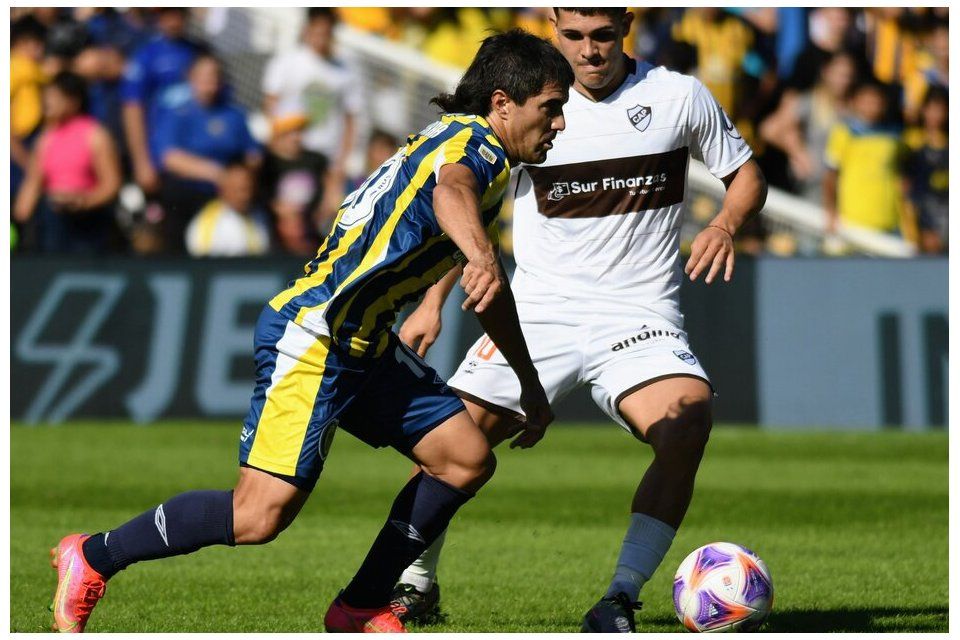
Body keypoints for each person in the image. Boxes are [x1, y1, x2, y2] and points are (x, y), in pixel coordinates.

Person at [48, 28, 570, 634]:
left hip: (366, 342)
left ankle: (361, 605)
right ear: (503, 101)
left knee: (463, 459)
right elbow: (449, 190)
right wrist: (478, 257)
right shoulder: (472, 147)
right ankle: (93, 556)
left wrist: (525, 381)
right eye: (551, 107)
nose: (559, 123)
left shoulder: (484, 160)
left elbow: (486, 282)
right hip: (317, 336)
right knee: (257, 517)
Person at [391, 8, 767, 633]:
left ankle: (619, 599)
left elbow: (746, 174)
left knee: (689, 420)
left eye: (602, 35)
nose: (589, 51)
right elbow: (470, 210)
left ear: (626, 24)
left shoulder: (677, 96)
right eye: (573, 37)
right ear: (551, 25)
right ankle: (415, 585)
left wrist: (725, 222)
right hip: (540, 314)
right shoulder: (529, 108)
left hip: (639, 314)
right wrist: (432, 300)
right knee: (445, 442)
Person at [261, 8, 364, 229]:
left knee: (328, 218)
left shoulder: (346, 71)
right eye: (317, 31)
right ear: (307, 30)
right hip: (292, 156)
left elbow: (350, 120)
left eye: (326, 32)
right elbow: (270, 104)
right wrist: (276, 142)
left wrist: (341, 164)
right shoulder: (286, 62)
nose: (321, 38)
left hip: (326, 159)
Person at [153, 53, 261, 253]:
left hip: (229, 199)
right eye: (203, 75)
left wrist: (238, 179)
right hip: (187, 195)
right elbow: (170, 158)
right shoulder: (178, 114)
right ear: (191, 78)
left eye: (214, 75)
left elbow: (252, 155)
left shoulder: (234, 115)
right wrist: (218, 174)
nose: (209, 81)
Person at [13, 71, 123, 253]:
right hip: (54, 220)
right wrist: (18, 221)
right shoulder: (46, 138)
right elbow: (33, 182)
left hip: (88, 222)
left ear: (74, 101)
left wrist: (84, 202)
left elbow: (111, 184)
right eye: (46, 96)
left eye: (55, 97)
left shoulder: (95, 135)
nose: (48, 102)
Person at [823, 78, 906, 238]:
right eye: (866, 101)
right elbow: (830, 175)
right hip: (852, 219)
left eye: (875, 101)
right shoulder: (843, 133)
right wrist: (831, 210)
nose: (871, 106)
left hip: (888, 220)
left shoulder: (894, 138)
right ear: (855, 102)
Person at [185, 163, 271, 257]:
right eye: (239, 189)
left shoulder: (260, 216)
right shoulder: (208, 223)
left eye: (249, 188)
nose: (245, 196)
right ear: (223, 189)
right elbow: (205, 267)